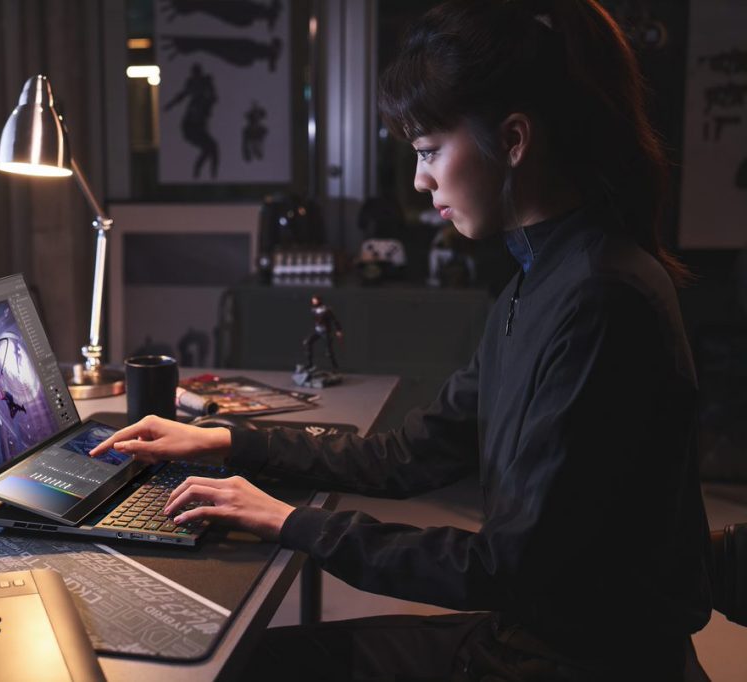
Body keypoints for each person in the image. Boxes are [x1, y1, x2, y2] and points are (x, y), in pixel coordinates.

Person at [91, 1, 711, 679]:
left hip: (573, 663)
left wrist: (292, 523)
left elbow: (508, 568)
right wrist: (232, 442)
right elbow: (410, 455)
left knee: (250, 667)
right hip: (535, 637)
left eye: (428, 151)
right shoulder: (541, 283)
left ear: (512, 140)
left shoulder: (599, 299)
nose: (420, 181)